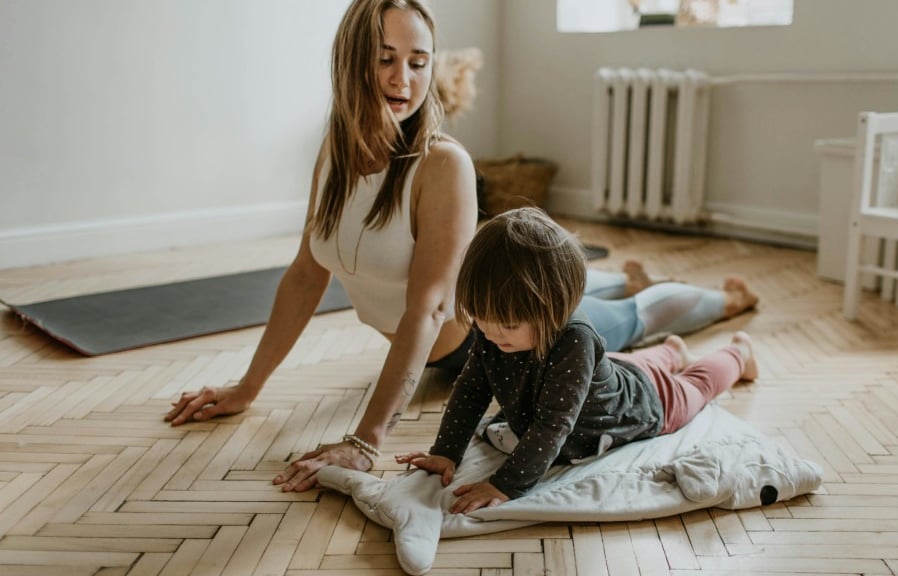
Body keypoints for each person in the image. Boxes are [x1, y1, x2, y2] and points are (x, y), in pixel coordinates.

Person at [164, 0, 758, 493]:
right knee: (609, 305)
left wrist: (365, 442)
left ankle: (720, 302)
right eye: (386, 60)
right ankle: (626, 283)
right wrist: (247, 388)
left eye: (419, 63)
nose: (404, 80)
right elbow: (304, 276)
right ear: (350, 63)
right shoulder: (334, 155)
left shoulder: (442, 164)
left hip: (497, 338)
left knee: (628, 319)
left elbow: (427, 310)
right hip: (478, 325)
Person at [395, 207, 757, 514]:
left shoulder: (575, 340)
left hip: (645, 402)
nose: (490, 334)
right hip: (612, 371)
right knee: (631, 365)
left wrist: (504, 485)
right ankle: (673, 350)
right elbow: (472, 389)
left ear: (553, 309)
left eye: (506, 324)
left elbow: (553, 425)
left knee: (696, 385)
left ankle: (739, 353)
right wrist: (446, 452)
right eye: (481, 319)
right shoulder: (494, 332)